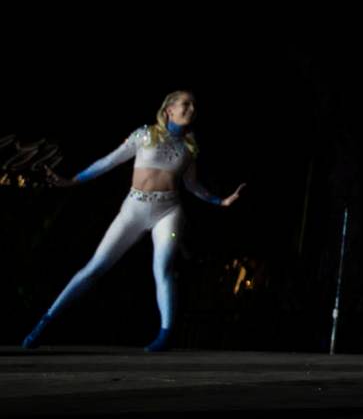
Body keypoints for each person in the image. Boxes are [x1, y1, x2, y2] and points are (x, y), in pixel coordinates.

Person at [21, 90, 246, 352]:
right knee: (94, 268)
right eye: (186, 104)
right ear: (169, 109)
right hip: (134, 209)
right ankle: (43, 325)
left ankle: (165, 334)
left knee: (162, 268)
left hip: (168, 211)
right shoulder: (145, 134)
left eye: (195, 105)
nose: (192, 109)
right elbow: (108, 161)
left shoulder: (190, 146)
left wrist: (220, 201)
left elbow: (192, 185)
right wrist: (72, 180)